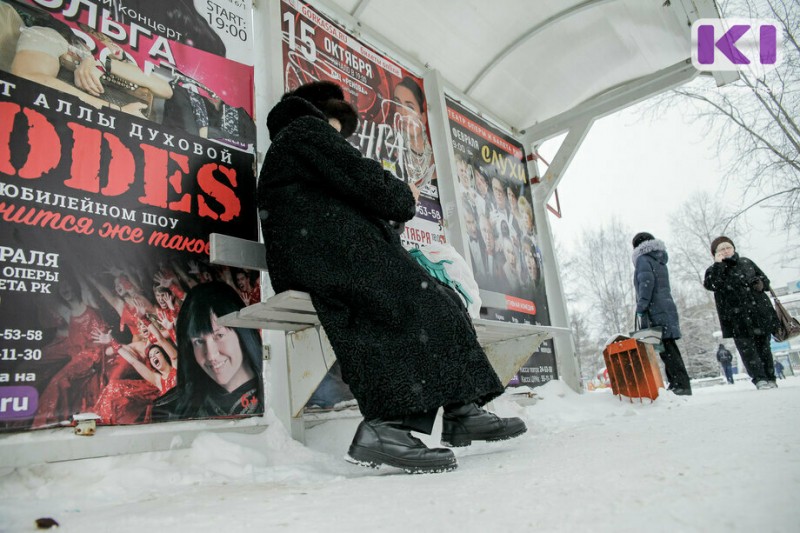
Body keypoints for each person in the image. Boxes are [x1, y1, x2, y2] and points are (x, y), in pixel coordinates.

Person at [257, 81, 526, 474]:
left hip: (325, 254)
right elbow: (378, 189)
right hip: (324, 256)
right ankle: (385, 427)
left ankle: (459, 409)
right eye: (336, 126)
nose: (339, 139)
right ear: (318, 112)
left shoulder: (298, 145)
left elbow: (362, 205)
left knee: (438, 297)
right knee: (407, 296)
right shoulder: (304, 131)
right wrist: (403, 197)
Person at [163, 282, 264, 419]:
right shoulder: (171, 409)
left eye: (219, 336)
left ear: (242, 333)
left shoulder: (280, 390)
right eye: (198, 341)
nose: (211, 355)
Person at [704, 236, 779, 390]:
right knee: (747, 349)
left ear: (733, 248)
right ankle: (759, 379)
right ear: (715, 254)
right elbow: (712, 284)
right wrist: (719, 265)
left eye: (728, 247)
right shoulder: (713, 270)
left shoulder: (746, 262)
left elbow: (765, 280)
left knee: (764, 347)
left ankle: (770, 377)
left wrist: (760, 283)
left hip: (758, 312)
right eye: (721, 249)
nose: (726, 251)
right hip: (736, 318)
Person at [632, 232, 692, 395]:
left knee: (667, 350)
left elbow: (646, 284)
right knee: (668, 347)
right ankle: (676, 383)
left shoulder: (643, 259)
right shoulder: (658, 259)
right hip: (666, 307)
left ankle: (681, 384)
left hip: (654, 310)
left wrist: (641, 306)